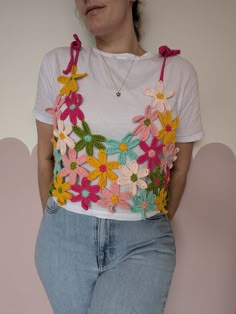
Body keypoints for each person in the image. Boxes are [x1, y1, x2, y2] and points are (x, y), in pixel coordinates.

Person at [33, 1, 203, 313]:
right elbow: (45, 157)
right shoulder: (60, 65)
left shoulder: (177, 74)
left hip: (142, 241)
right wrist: (57, 221)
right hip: (63, 239)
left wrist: (147, 221)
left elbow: (179, 170)